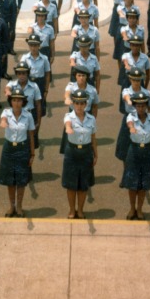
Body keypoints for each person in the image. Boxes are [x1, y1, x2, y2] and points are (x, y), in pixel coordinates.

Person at [120, 92, 150, 220]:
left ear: (146, 106)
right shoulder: (131, 117)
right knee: (132, 183)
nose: (140, 108)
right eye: (138, 106)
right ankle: (132, 209)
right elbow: (129, 123)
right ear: (135, 106)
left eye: (143, 106)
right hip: (134, 151)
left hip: (146, 151)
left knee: (143, 184)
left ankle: (140, 209)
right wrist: (131, 128)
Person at [0, 87, 35, 218]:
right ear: (11, 101)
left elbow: (31, 134)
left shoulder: (28, 115)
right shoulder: (6, 113)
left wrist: (32, 154)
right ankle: (11, 206)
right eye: (14, 100)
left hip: (22, 149)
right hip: (9, 149)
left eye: (19, 100)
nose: (16, 103)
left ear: (23, 102)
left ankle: (19, 206)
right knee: (10, 180)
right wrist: (3, 122)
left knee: (21, 179)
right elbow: (3, 120)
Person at [62, 89, 98, 219]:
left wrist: (96, 154)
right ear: (73, 104)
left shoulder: (91, 119)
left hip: (86, 152)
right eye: (76, 103)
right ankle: (72, 210)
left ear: (85, 104)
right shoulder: (69, 117)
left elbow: (93, 137)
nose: (79, 106)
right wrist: (68, 128)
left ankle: (81, 210)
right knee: (71, 184)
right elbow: (68, 124)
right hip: (72, 152)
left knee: (83, 184)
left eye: (81, 103)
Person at [115, 68, 150, 163]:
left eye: (138, 80)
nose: (136, 82)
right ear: (130, 79)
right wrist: (129, 100)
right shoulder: (127, 91)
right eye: (134, 80)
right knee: (125, 150)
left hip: (142, 120)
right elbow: (126, 96)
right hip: (129, 119)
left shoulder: (146, 93)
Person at [4, 62, 42, 148]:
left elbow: (38, 105)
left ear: (27, 74)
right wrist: (8, 91)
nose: (21, 76)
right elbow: (7, 88)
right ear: (16, 74)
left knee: (30, 141)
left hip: (30, 115)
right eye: (19, 73)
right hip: (16, 116)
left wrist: (38, 122)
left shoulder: (34, 86)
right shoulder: (12, 84)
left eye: (24, 73)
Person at [20, 34, 50, 116]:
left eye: (35, 45)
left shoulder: (44, 59)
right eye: (31, 45)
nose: (33, 48)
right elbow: (21, 74)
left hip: (40, 83)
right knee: (27, 107)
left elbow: (47, 75)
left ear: (39, 45)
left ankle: (37, 127)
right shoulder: (24, 58)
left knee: (39, 109)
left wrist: (46, 90)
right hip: (28, 83)